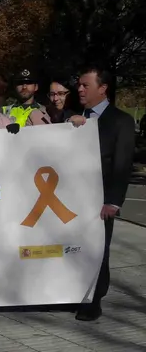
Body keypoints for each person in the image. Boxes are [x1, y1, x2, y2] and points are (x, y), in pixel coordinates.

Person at [71, 67, 135, 322]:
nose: (80, 90)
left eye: (85, 85)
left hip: (100, 201)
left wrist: (113, 201)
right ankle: (73, 293)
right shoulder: (74, 118)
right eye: (79, 85)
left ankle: (93, 300)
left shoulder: (120, 121)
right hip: (71, 198)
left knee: (98, 250)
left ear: (103, 87)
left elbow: (122, 164)